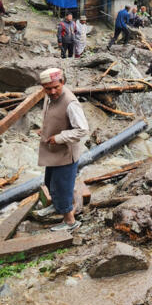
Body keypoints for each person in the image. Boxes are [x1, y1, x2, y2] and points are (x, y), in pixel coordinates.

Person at [36, 68, 88, 231]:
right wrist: (44, 129)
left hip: (65, 153)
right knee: (50, 182)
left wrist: (58, 138)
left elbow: (82, 130)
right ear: (43, 87)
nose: (52, 91)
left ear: (62, 83)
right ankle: (56, 207)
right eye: (48, 88)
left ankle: (70, 222)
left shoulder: (70, 102)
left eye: (56, 87)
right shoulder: (49, 97)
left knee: (62, 187)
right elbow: (52, 116)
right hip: (54, 152)